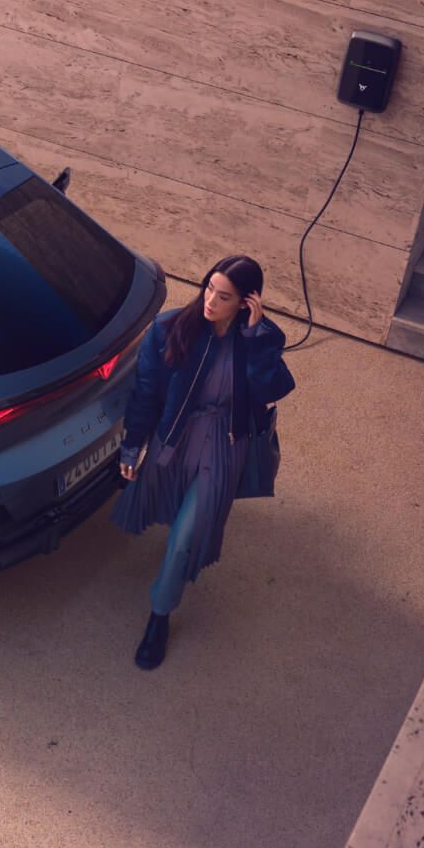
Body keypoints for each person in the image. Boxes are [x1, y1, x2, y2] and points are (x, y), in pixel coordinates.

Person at [109, 256, 297, 670]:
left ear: (246, 302)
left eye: (224, 296)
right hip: (174, 438)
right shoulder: (169, 329)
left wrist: (255, 338)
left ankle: (159, 615)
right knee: (170, 510)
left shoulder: (261, 337)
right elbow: (145, 394)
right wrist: (131, 445)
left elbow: (275, 388)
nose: (210, 300)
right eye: (209, 288)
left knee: (185, 537)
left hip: (223, 447)